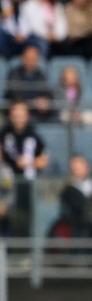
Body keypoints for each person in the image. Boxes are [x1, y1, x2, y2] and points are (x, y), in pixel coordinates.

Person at [0, 100, 47, 236]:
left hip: (27, 184)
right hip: (6, 184)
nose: (18, 116)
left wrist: (29, 163)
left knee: (24, 218)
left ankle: (22, 251)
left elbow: (44, 160)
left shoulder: (33, 135)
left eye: (21, 113)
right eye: (16, 113)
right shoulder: (4, 133)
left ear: (27, 115)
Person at [49, 154, 92, 238]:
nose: (76, 171)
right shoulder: (69, 189)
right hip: (78, 224)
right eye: (74, 168)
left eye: (79, 167)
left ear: (87, 167)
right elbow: (78, 207)